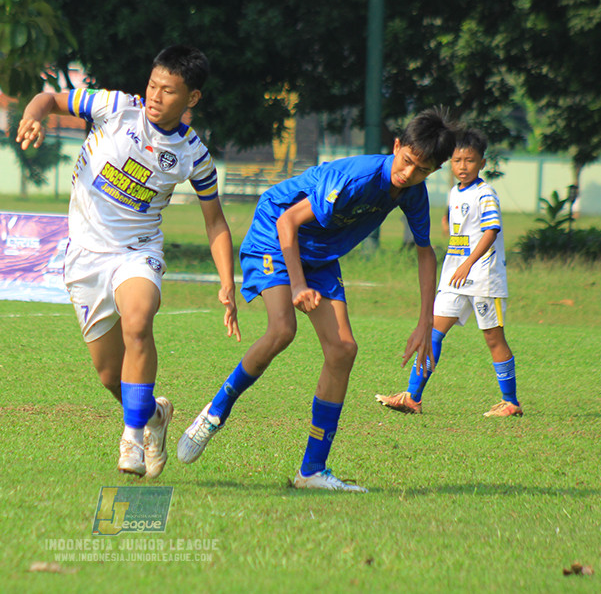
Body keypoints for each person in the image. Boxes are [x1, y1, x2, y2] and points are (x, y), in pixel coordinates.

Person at [176, 109, 458, 492]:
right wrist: (296, 286)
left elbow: (426, 253)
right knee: (282, 330)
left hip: (319, 251)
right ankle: (214, 413)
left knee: (343, 350)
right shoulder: (357, 177)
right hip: (276, 233)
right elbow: (288, 222)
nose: (409, 174)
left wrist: (425, 322)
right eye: (407, 161)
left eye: (422, 170)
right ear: (397, 146)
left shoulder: (412, 193)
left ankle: (311, 471)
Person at [15, 45, 241, 479]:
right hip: (84, 256)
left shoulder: (194, 155)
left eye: (168, 90)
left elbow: (215, 221)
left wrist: (227, 282)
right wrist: (34, 116)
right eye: (153, 85)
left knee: (138, 320)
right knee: (108, 376)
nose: (155, 96)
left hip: (138, 251)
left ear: (191, 98)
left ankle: (132, 438)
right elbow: (50, 99)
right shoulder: (115, 107)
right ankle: (154, 415)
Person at [375, 129, 522, 417]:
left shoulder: (485, 193)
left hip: (482, 278)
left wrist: (468, 263)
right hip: (454, 278)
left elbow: (491, 231)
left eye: (469, 160)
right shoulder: (455, 192)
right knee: (431, 334)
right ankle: (412, 397)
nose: (462, 166)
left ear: (482, 162)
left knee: (494, 339)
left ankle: (511, 402)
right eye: (457, 160)